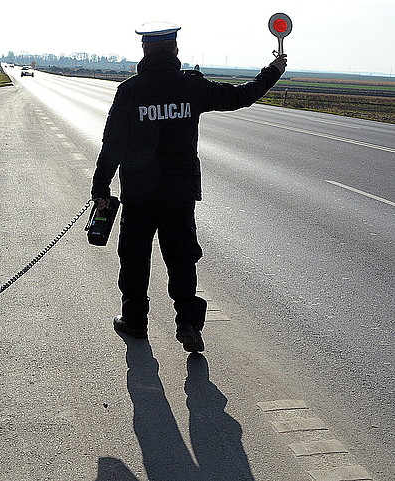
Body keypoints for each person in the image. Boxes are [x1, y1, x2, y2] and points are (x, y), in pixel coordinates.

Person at [91, 22, 287, 352]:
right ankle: (188, 322)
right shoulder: (190, 87)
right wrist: (273, 71)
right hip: (179, 193)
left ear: (144, 51)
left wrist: (100, 188)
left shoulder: (130, 90)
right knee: (182, 259)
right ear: (176, 51)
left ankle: (135, 321)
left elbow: (113, 144)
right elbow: (241, 96)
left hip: (139, 193)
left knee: (135, 258)